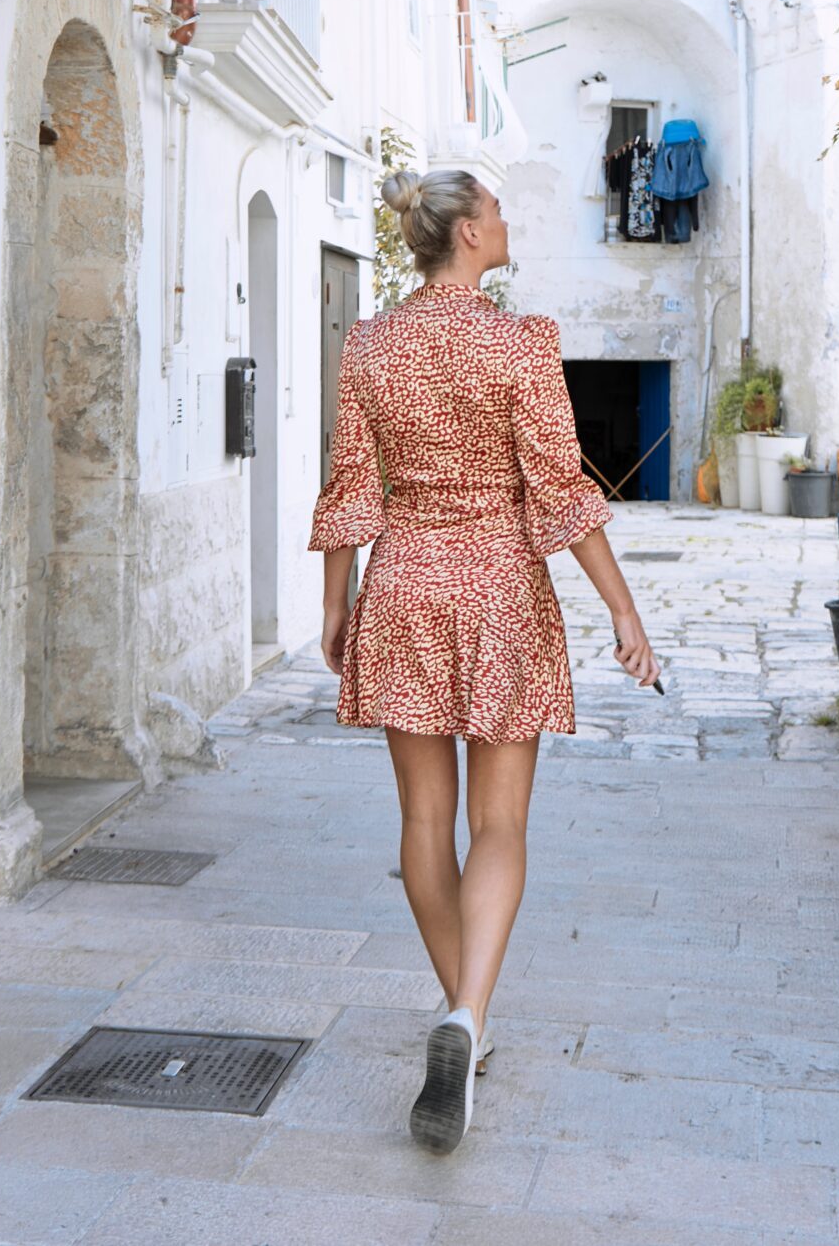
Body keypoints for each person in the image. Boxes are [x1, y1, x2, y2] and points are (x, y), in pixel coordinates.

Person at [309, 166, 662, 1155]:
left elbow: (350, 481)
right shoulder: (518, 342)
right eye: (498, 210)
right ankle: (465, 1012)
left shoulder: (371, 344)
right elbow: (558, 490)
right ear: (467, 232)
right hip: (501, 587)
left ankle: (465, 1012)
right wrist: (624, 612)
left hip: (406, 584)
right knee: (497, 821)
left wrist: (334, 602)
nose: (507, 222)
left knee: (423, 819)